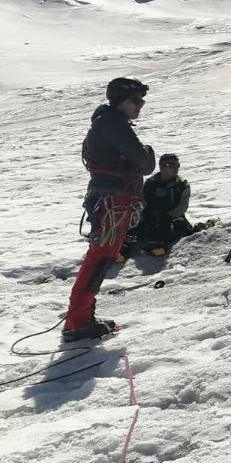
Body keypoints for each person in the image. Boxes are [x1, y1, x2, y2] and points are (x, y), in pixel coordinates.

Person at [65, 78, 156, 342]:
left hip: (109, 199)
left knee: (101, 256)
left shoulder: (107, 123)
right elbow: (144, 162)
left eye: (141, 100)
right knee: (101, 256)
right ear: (119, 101)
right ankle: (78, 322)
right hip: (113, 201)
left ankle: (80, 319)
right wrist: (147, 152)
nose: (140, 106)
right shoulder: (112, 123)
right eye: (135, 101)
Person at [130, 153, 213, 255]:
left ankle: (161, 244)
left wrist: (168, 216)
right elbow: (142, 201)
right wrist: (144, 215)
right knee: (137, 228)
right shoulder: (150, 183)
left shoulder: (182, 185)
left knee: (173, 228)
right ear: (163, 167)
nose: (176, 169)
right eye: (172, 165)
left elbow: (182, 206)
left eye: (177, 166)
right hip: (152, 216)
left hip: (172, 217)